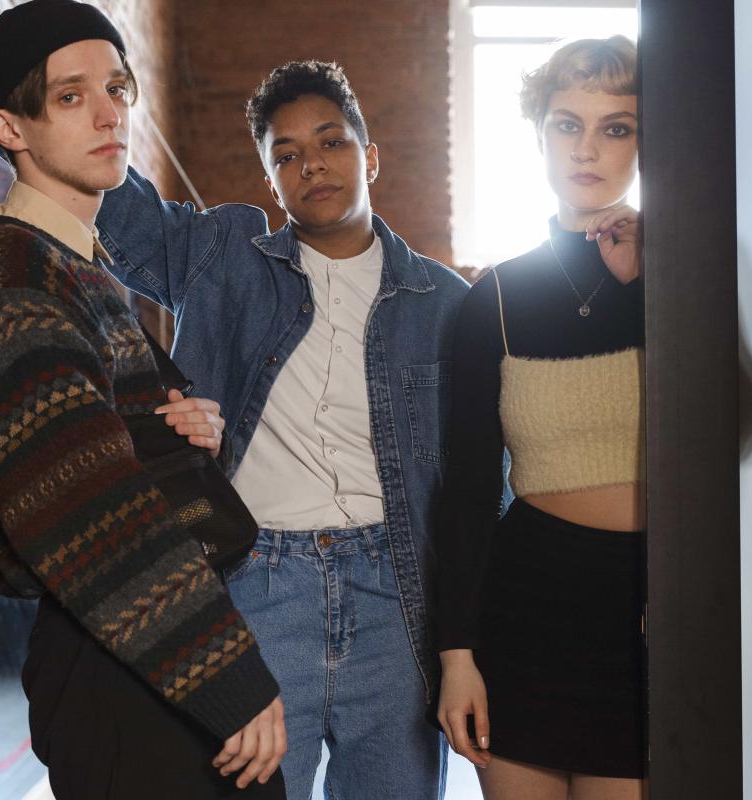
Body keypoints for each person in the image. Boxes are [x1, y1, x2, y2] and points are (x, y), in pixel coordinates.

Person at [80, 57, 472, 798]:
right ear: (270, 181)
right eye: (285, 155)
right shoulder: (224, 261)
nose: (311, 165)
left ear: (370, 156)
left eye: (331, 142)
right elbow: (113, 203)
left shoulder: (445, 304)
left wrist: (471, 643)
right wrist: (12, 80)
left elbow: (478, 490)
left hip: (396, 602)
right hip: (256, 589)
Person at [0, 2, 287, 796]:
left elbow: (106, 447)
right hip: (121, 667)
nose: (108, 114)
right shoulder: (13, 280)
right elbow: (87, 510)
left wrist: (189, 434)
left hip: (144, 652)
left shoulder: (69, 264)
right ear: (8, 127)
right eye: (70, 96)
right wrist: (229, 678)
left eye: (117, 89)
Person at [434, 36, 647, 800]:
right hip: (524, 616)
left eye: (616, 127)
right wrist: (457, 656)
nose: (587, 148)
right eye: (566, 124)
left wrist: (646, 286)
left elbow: (746, 421)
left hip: (647, 615)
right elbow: (465, 492)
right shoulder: (493, 298)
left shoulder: (685, 276)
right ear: (538, 135)